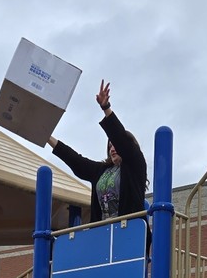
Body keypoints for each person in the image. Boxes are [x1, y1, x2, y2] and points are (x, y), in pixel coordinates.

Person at [46, 80, 148, 224]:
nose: (112, 148)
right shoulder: (101, 170)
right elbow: (76, 160)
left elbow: (121, 138)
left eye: (115, 145)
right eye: (109, 146)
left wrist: (106, 107)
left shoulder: (134, 164)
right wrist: (48, 137)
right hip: (103, 232)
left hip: (129, 231)